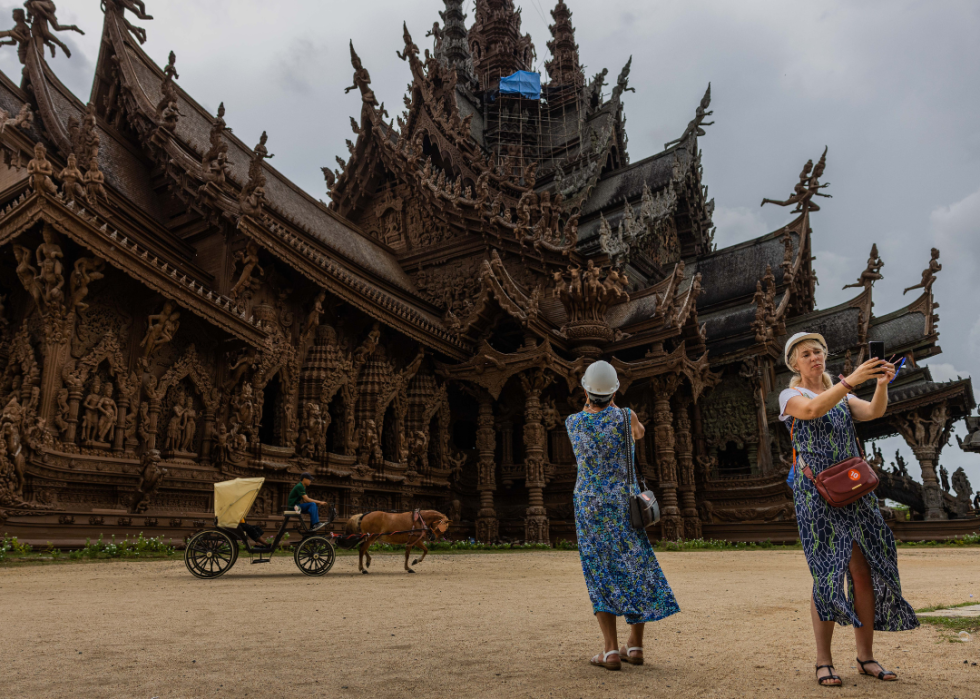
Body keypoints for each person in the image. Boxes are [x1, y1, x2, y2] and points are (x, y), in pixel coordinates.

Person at [779, 332, 918, 687]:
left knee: (864, 569)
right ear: (794, 363)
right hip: (816, 493)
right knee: (827, 570)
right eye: (807, 354)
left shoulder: (843, 397)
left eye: (819, 352)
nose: (815, 358)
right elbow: (812, 410)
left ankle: (865, 655)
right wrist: (851, 380)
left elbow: (873, 411)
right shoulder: (791, 395)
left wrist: (882, 384)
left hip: (855, 488)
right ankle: (823, 661)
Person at [565, 360, 679, 671]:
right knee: (633, 566)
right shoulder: (626, 417)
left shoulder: (572, 423)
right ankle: (637, 645)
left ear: (586, 390)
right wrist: (620, 408)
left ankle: (611, 650)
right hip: (622, 503)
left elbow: (592, 422)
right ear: (614, 392)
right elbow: (639, 434)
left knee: (599, 570)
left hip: (588, 505)